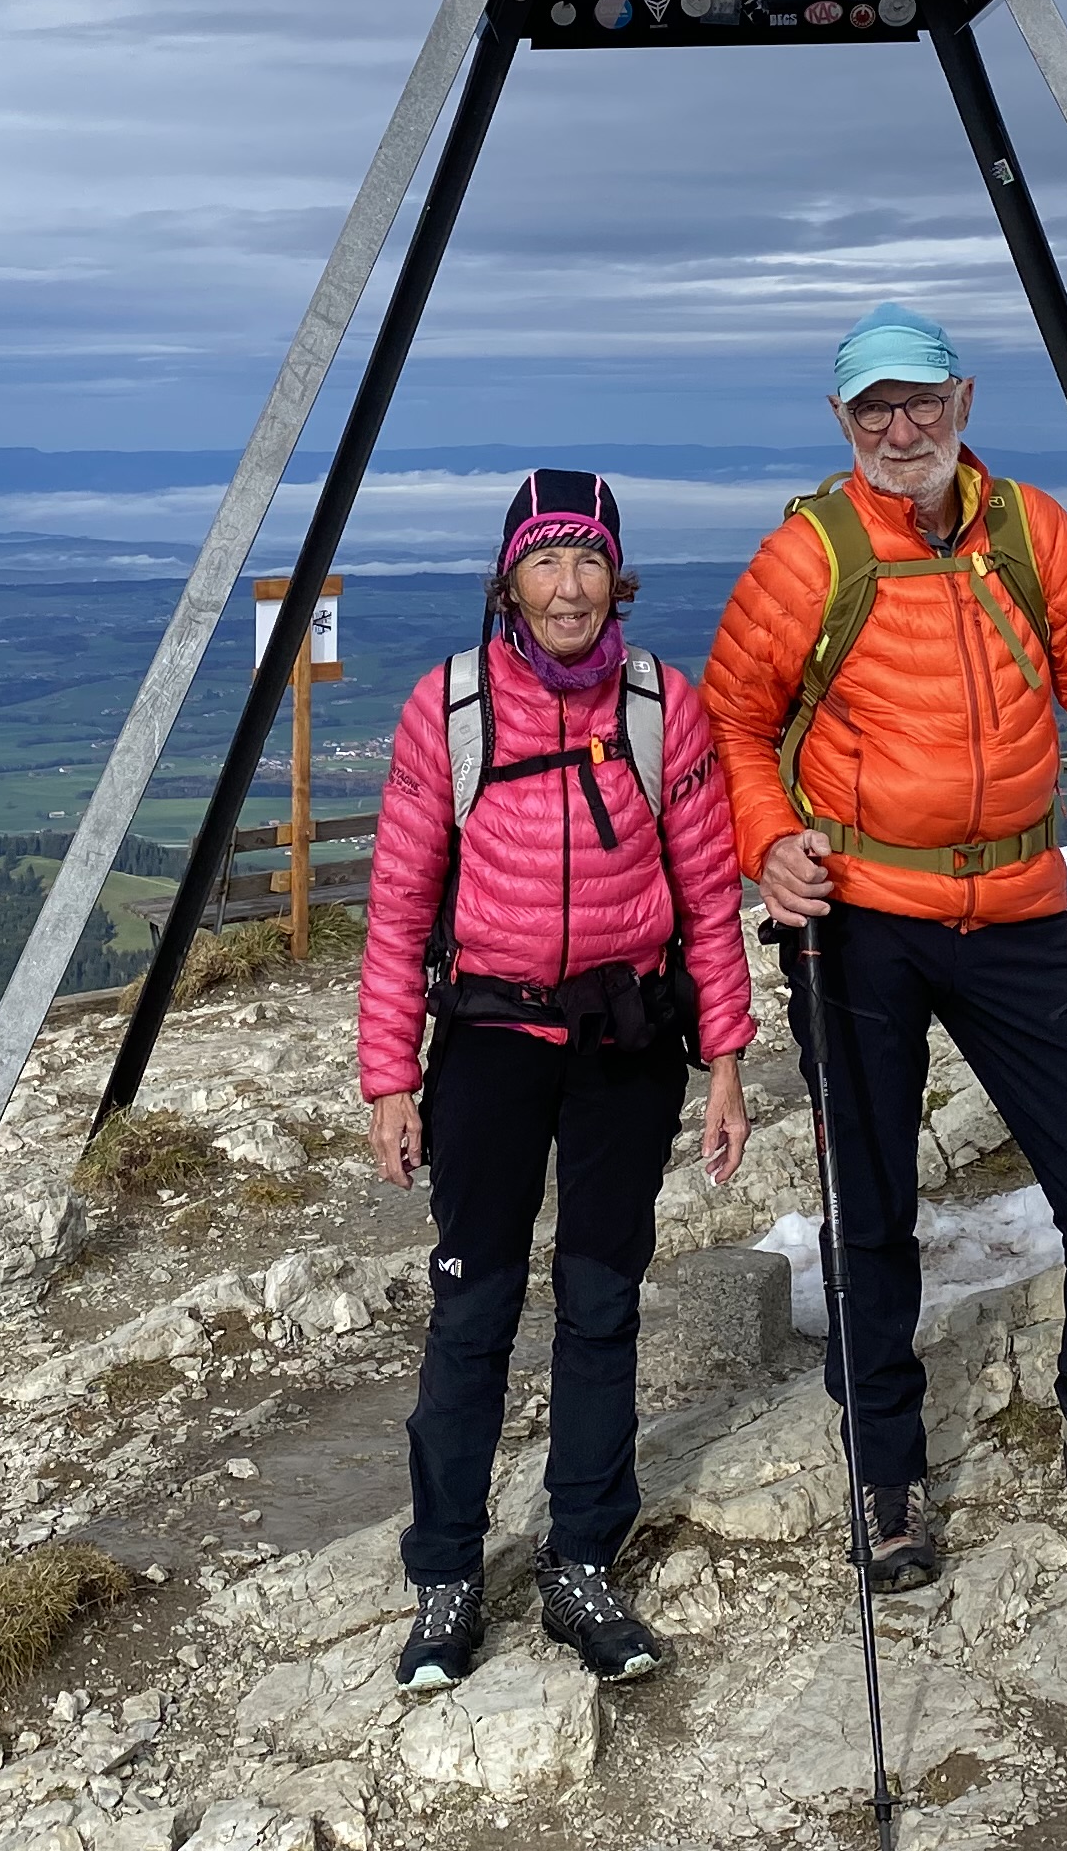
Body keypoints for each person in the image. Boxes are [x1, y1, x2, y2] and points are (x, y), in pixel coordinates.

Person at [705, 303, 1067, 1589]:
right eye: (875, 410)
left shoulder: (1032, 532)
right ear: (841, 422)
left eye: (921, 403)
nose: (901, 429)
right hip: (858, 919)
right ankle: (888, 1469)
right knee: (871, 1215)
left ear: (965, 401)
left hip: (1016, 910)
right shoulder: (808, 557)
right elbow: (733, 725)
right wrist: (770, 847)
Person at [358, 470, 756, 1696]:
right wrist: (388, 1075)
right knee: (472, 1312)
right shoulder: (455, 707)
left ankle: (583, 1560)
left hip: (626, 1046)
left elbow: (707, 890)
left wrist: (729, 1061)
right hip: (485, 1042)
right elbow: (399, 899)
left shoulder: (658, 705)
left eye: (589, 561)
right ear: (510, 579)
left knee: (600, 1305)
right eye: (546, 560)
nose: (570, 585)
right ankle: (446, 1576)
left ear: (616, 577)